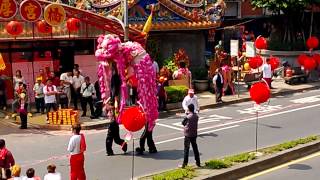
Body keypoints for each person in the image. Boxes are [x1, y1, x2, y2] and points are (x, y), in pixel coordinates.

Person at [180, 104, 200, 168]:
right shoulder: (196, 116)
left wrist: (187, 114)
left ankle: (184, 164)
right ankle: (198, 162)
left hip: (188, 135)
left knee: (186, 149)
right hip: (194, 134)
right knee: (195, 148)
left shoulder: (188, 117)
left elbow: (183, 123)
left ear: (188, 109)